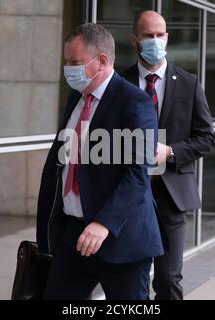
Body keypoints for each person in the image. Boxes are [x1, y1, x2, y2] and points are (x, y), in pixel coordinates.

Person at [36, 23, 164, 300]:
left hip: (120, 240)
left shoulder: (135, 102)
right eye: (66, 61)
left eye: (75, 62)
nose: (68, 69)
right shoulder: (76, 98)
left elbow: (137, 174)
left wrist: (103, 223)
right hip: (72, 237)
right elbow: (62, 163)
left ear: (103, 61)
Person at [122, 11, 215, 300]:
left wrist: (171, 151)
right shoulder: (119, 82)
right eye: (148, 35)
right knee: (130, 281)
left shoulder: (188, 83)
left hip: (170, 197)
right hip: (128, 196)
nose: (154, 40)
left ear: (167, 38)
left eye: (159, 35)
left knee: (167, 280)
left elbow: (206, 138)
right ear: (135, 39)